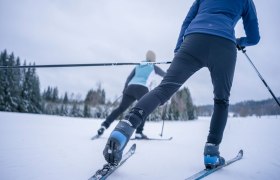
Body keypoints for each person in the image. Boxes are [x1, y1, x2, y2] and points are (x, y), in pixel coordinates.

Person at [103, 0, 260, 169]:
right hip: (224, 44)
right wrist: (240, 41)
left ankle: (126, 127)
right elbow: (254, 37)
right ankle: (211, 153)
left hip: (194, 41)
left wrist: (179, 49)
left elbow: (187, 20)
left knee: (163, 89)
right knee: (221, 100)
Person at [97, 50, 166, 139]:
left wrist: (125, 89)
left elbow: (129, 78)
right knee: (143, 110)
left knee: (120, 108)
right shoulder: (153, 67)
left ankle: (104, 125)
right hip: (142, 88)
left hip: (130, 88)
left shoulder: (138, 66)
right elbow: (165, 75)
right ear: (153, 59)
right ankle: (139, 132)